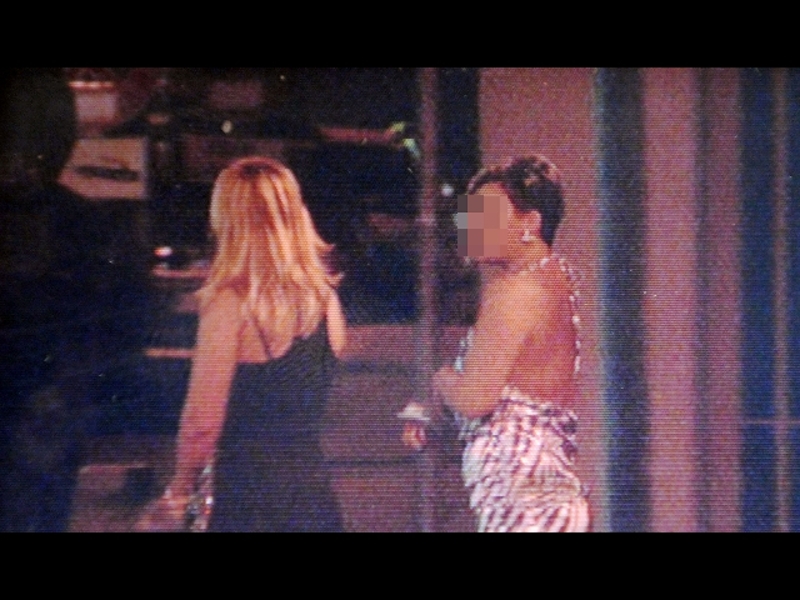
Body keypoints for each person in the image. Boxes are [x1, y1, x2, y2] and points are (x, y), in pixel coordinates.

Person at [135, 156, 347, 532]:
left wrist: (178, 492)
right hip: (313, 493)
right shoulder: (326, 300)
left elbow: (202, 422)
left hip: (250, 495)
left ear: (230, 221)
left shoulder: (231, 302)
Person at [401, 155, 590, 532]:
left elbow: (476, 399)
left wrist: (440, 377)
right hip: (546, 490)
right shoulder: (556, 278)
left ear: (530, 224)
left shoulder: (514, 291)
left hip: (520, 499)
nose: (467, 224)